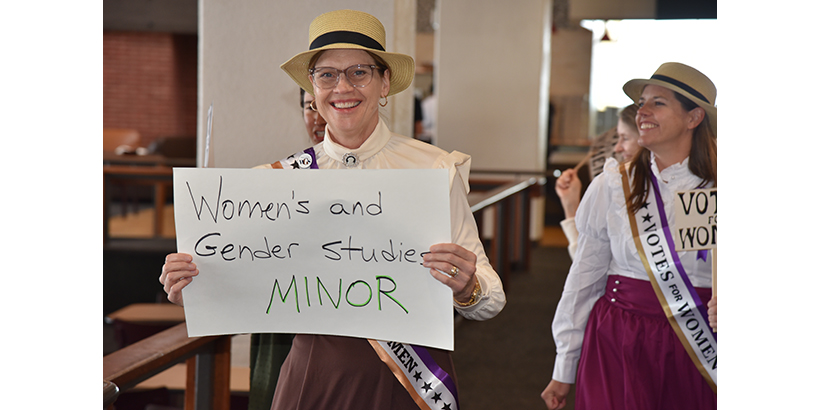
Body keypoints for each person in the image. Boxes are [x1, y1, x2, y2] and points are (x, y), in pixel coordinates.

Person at [160, 9, 506, 410]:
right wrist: (194, 289)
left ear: (385, 83)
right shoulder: (275, 184)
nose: (343, 86)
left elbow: (491, 297)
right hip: (314, 379)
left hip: (410, 382)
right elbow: (239, 290)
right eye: (327, 74)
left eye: (359, 71)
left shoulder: (433, 170)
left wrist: (468, 288)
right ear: (312, 88)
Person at [541, 62, 717, 409]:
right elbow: (584, 278)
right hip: (619, 338)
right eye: (641, 103)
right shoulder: (612, 185)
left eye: (658, 103)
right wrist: (565, 364)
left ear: (694, 117)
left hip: (697, 340)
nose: (643, 112)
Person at [554, 104, 641, 260]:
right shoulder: (618, 186)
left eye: (625, 138)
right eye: (618, 137)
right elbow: (587, 260)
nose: (617, 148)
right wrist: (570, 204)